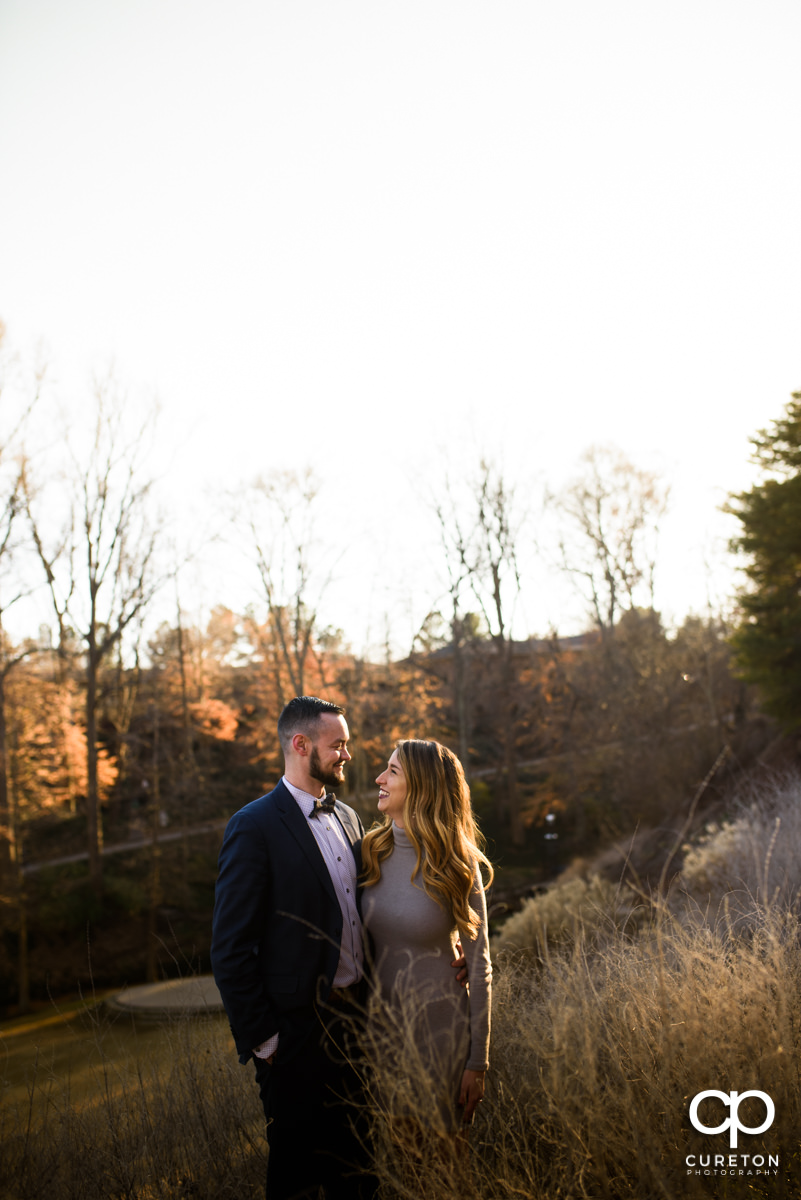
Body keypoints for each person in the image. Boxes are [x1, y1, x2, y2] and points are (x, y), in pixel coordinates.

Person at [210, 695, 375, 1200]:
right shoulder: (253, 826)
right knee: (296, 1181)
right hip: (295, 1038)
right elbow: (230, 947)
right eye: (338, 745)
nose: (346, 754)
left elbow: (368, 916)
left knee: (361, 1174)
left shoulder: (348, 817)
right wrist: (265, 1041)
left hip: (357, 1028)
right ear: (301, 745)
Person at [360, 739, 493, 1135]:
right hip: (379, 1039)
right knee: (401, 1165)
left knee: (445, 1172)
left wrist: (477, 1063)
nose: (380, 779)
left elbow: (481, 965)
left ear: (420, 786)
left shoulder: (457, 863)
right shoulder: (369, 851)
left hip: (442, 1040)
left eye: (392, 772)